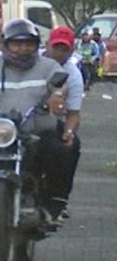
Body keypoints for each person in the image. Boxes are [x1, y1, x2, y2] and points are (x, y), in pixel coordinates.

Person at [0, 19, 72, 226]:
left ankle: (53, 206)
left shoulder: (48, 66)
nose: (23, 49)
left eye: (28, 44)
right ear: (6, 45)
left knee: (60, 150)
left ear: (36, 45)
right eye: (17, 44)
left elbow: (59, 89)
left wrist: (55, 98)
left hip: (37, 129)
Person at [43, 26, 83, 217]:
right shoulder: (32, 62)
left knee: (71, 147)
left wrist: (69, 133)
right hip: (21, 118)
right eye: (56, 47)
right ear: (46, 45)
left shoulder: (73, 75)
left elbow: (73, 114)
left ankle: (59, 199)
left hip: (52, 122)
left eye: (64, 49)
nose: (59, 53)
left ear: (72, 50)